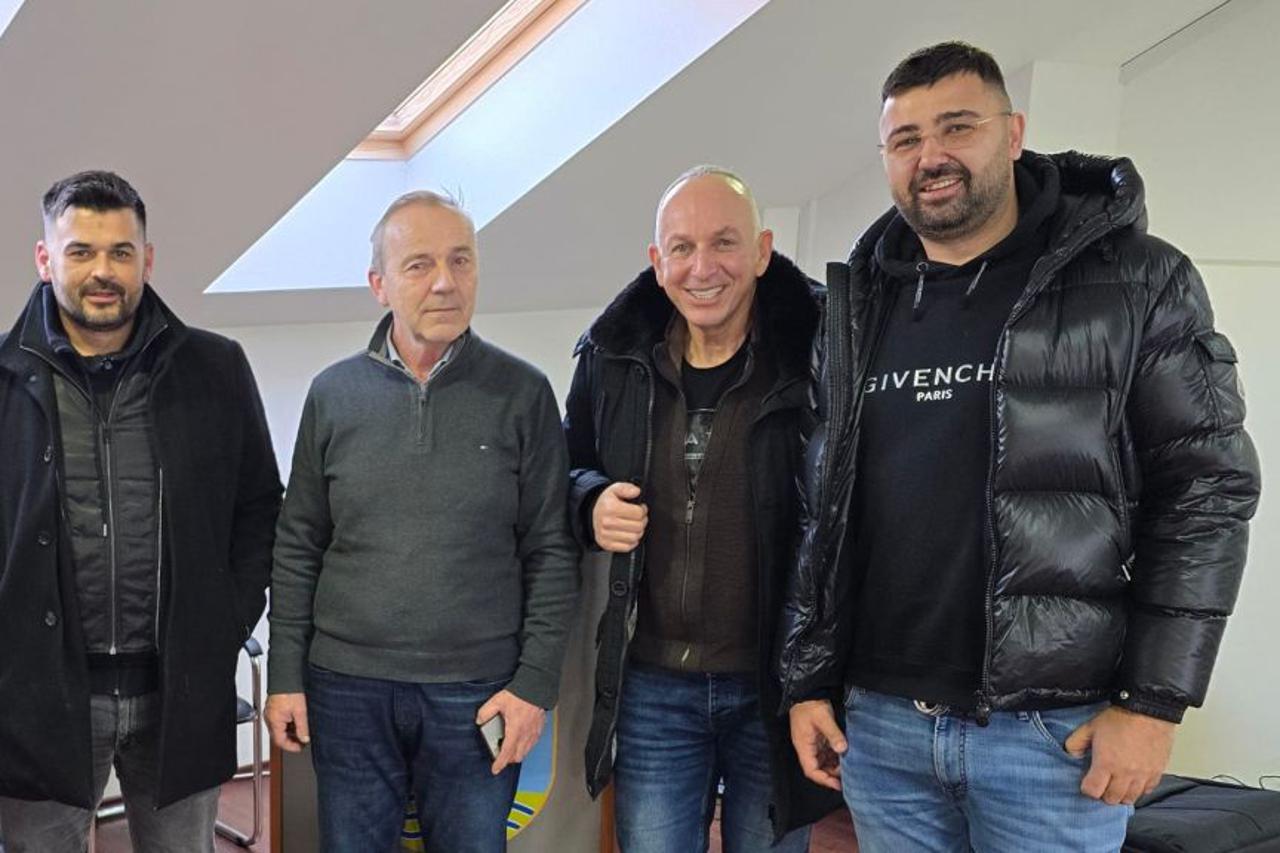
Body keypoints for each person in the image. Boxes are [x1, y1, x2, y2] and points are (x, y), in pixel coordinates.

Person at [778, 41, 1261, 852]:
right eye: (905, 139)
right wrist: (809, 680)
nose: (931, 156)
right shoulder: (856, 305)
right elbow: (819, 509)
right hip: (881, 728)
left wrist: (1153, 701)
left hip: (1053, 736)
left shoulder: (1137, 279)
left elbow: (1207, 487)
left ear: (1014, 133)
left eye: (957, 126)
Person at [265, 190, 580, 852]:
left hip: (478, 691)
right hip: (347, 688)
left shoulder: (523, 394)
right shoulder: (333, 395)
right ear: (378, 283)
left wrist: (535, 686)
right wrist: (286, 674)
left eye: (461, 260)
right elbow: (298, 544)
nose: (445, 282)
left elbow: (550, 550)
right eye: (419, 264)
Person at [0, 170, 282, 852]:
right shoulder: (6, 381)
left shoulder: (214, 368)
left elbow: (257, 508)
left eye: (121, 252)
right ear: (44, 259)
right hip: (39, 697)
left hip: (178, 690)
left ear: (147, 260)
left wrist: (224, 621)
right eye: (81, 251)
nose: (103, 271)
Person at [566, 167, 840, 851]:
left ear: (762, 251)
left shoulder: (823, 354)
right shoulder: (611, 355)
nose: (702, 268)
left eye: (724, 243)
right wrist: (588, 500)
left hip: (775, 688)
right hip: (653, 685)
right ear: (657, 263)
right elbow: (564, 466)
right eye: (682, 248)